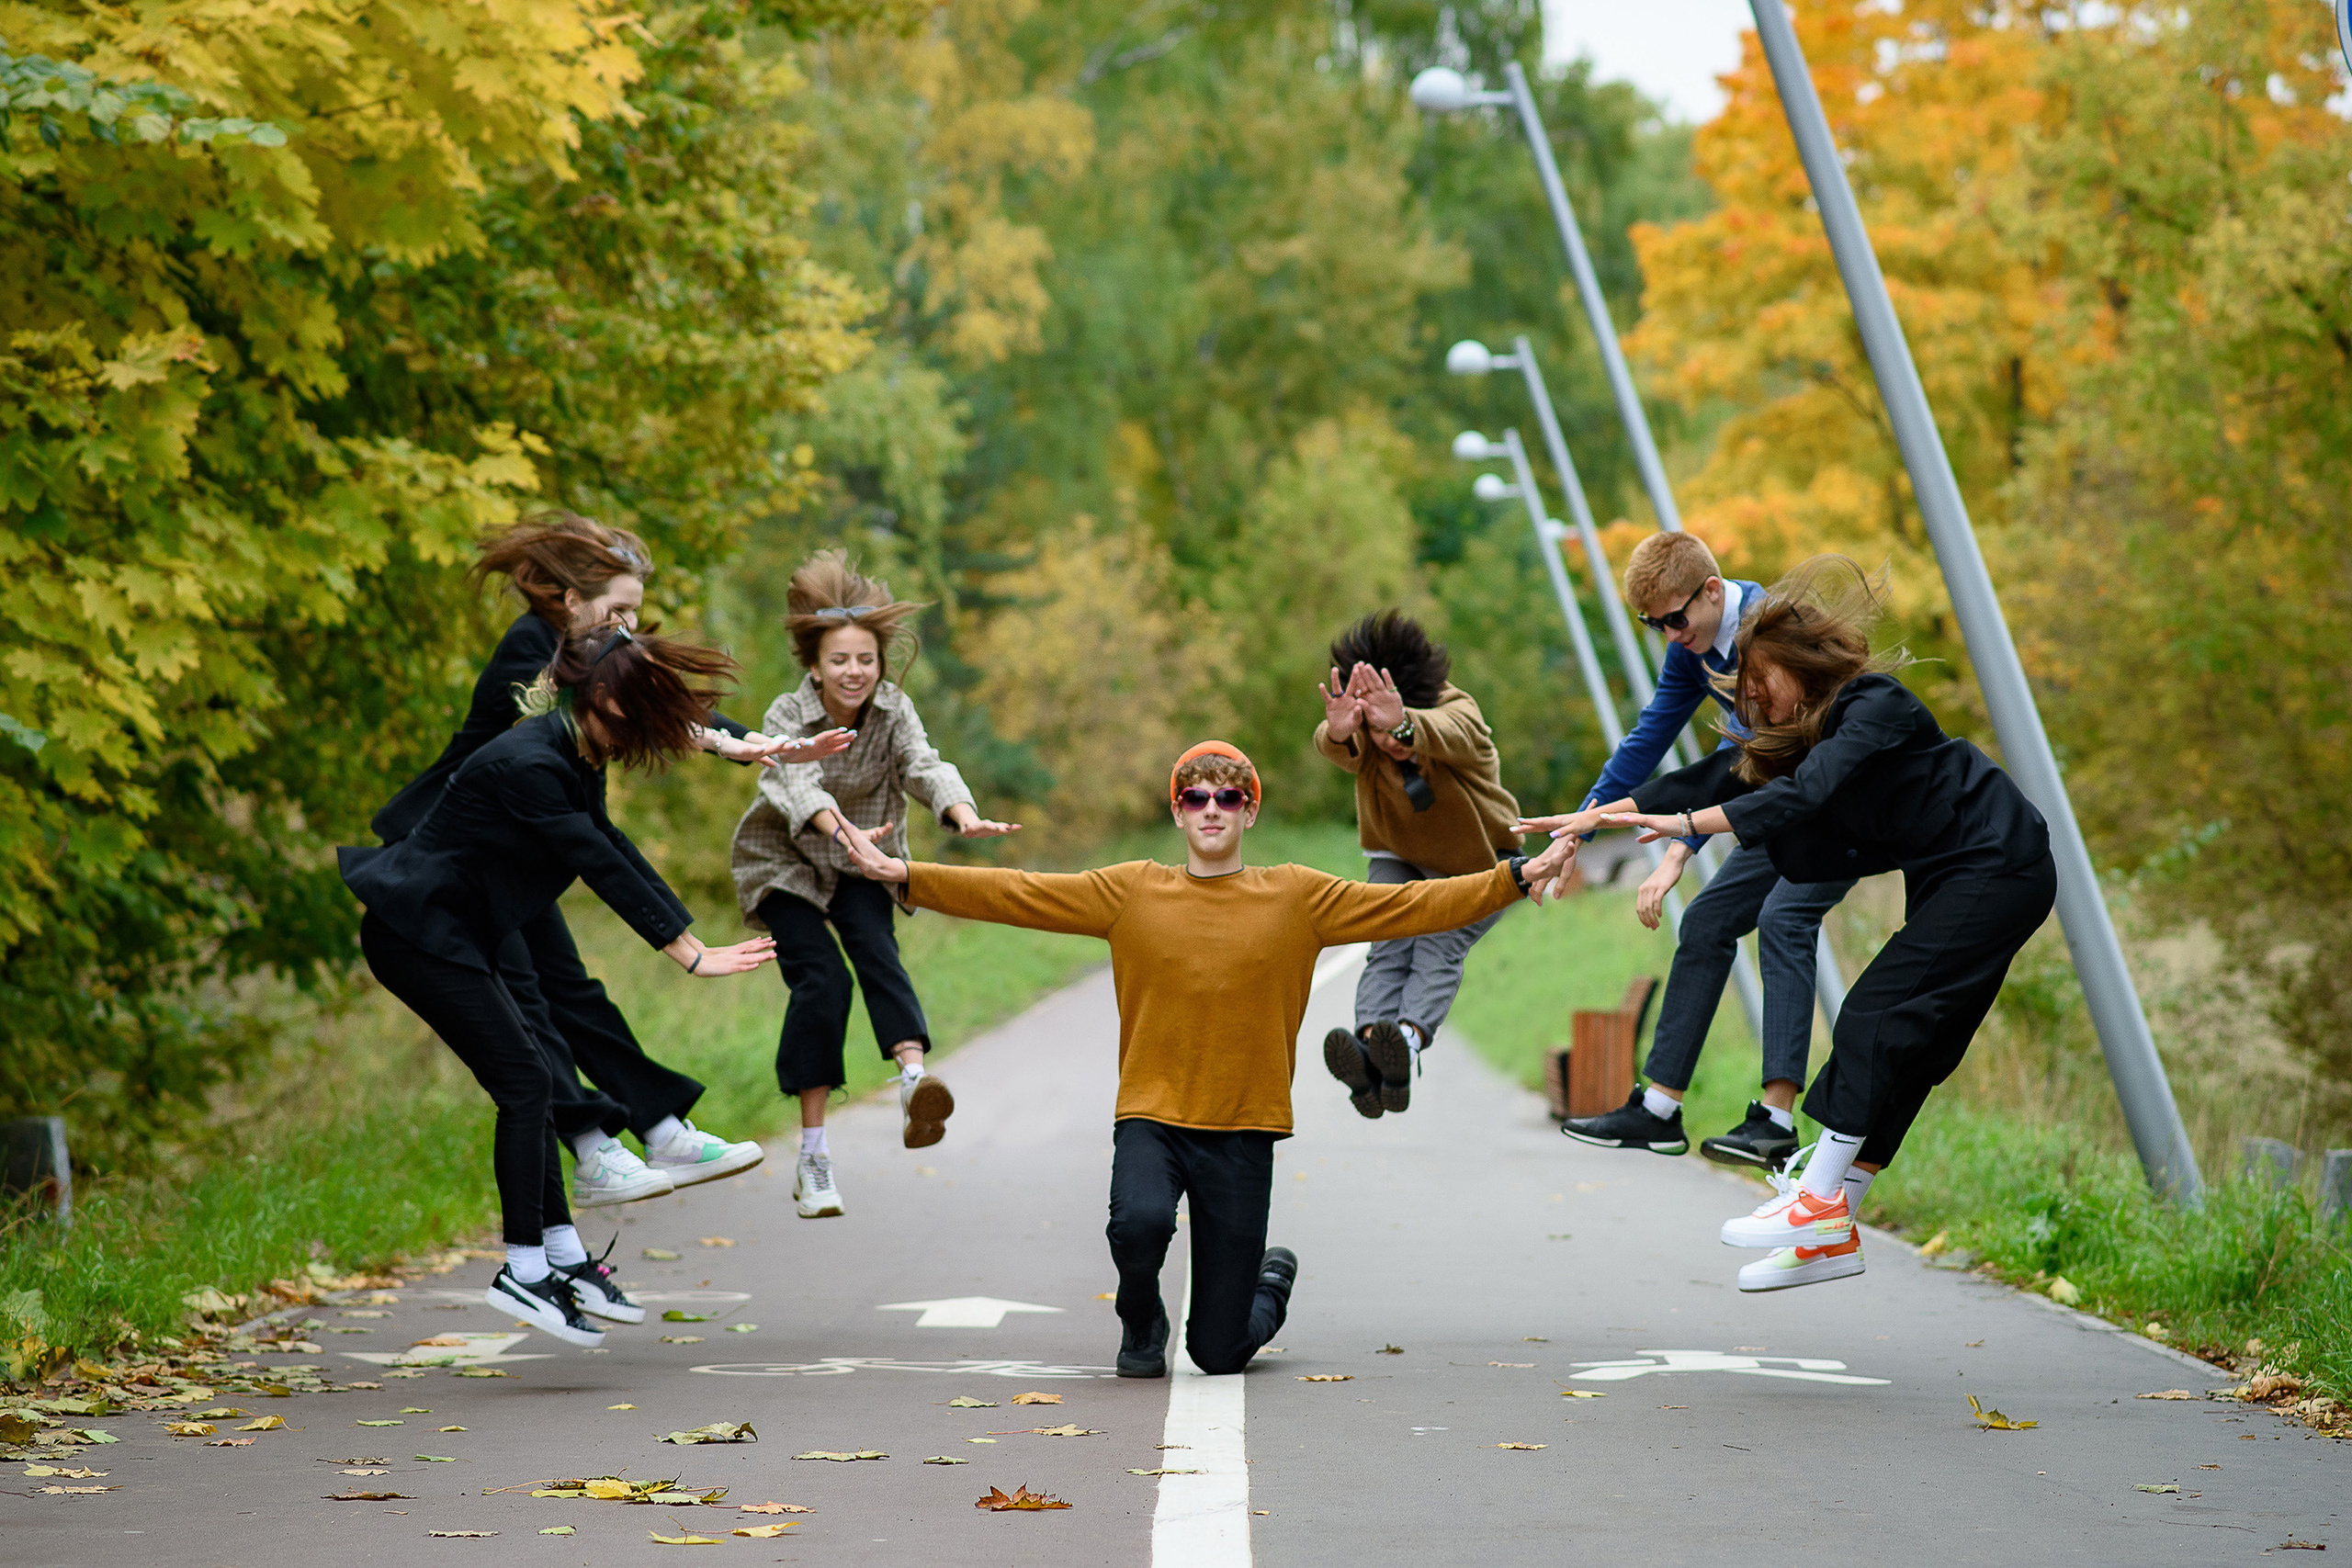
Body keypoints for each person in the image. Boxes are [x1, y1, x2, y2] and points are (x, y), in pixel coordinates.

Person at [836, 740, 1565, 1376]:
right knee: (1139, 1223)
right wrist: (905, 875)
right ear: (1178, 812)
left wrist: (1514, 876)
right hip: (1152, 1113)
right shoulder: (1129, 890)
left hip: (1244, 1129)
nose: (1211, 808)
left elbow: (1416, 907)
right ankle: (1140, 1315)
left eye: (1228, 796)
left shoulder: (1298, 896)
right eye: (1195, 796)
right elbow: (1020, 892)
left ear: (1249, 811)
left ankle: (1267, 1281)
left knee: (1218, 1352)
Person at [1529, 558, 2057, 1292]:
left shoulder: (1874, 705)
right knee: (1913, 1051)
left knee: (1873, 1013)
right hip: (1955, 874)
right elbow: (1714, 777)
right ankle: (1833, 1228)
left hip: (2000, 861)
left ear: (1800, 666)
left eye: (1761, 688)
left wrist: (1681, 827)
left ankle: (1815, 1203)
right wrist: (1596, 817)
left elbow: (1805, 794)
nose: (1756, 706)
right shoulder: (1803, 733)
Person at [373, 513, 849, 1214]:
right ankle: (596, 1150)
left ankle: (659, 1128)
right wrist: (688, 947)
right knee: (533, 1001)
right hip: (444, 861)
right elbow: (600, 711)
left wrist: (753, 741)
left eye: (637, 612)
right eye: (619, 609)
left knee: (573, 990)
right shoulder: (531, 648)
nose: (629, 626)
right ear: (571, 600)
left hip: (516, 854)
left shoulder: (598, 653)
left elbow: (649, 702)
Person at [342, 626, 782, 1343]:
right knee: (525, 1083)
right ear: (603, 697)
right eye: (644, 709)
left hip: (465, 932)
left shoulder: (580, 750)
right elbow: (593, 861)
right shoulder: (530, 764)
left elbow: (610, 842)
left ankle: (563, 1259)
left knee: (535, 1081)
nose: (654, 731)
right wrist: (690, 955)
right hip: (417, 932)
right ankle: (523, 1268)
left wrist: (692, 937)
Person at [1514, 530, 1855, 1170]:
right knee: (1705, 922)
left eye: (1677, 618)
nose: (1671, 635)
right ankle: (1659, 1110)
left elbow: (1772, 750)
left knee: (1784, 918)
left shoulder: (1777, 629)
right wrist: (1574, 834)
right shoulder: (1693, 651)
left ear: (1713, 591)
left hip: (1840, 803)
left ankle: (1776, 1121)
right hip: (1775, 804)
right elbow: (1644, 747)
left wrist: (1683, 842)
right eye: (1654, 625)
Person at [729, 551, 1020, 1221]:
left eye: (866, 659)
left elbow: (923, 763)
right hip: (784, 859)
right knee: (823, 982)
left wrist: (961, 812)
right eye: (840, 660)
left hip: (866, 857)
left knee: (874, 945)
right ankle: (812, 1155)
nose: (854, 671)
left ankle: (914, 1081)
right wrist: (842, 834)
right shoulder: (787, 714)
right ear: (815, 666)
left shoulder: (893, 710)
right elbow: (793, 783)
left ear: (880, 663)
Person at [1311, 611, 1522, 1117]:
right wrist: (1339, 730)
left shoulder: (1457, 710)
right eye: (1374, 730)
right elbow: (1335, 744)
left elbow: (1451, 731)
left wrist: (1403, 723)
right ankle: (1370, 1052)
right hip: (1400, 855)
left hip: (1479, 863)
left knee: (1438, 942)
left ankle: (1404, 1041)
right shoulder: (1364, 735)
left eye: (1389, 731)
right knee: (1387, 942)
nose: (1382, 743)